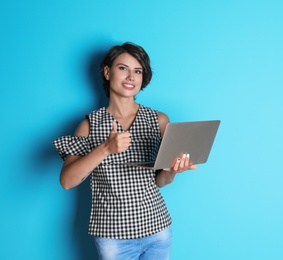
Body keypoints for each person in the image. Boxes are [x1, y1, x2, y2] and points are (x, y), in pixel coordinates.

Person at [53, 42, 197, 260]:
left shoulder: (158, 120)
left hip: (157, 228)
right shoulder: (89, 125)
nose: (131, 76)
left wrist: (173, 171)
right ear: (107, 72)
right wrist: (105, 148)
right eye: (123, 68)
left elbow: (160, 181)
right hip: (113, 236)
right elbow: (67, 181)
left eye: (137, 71)